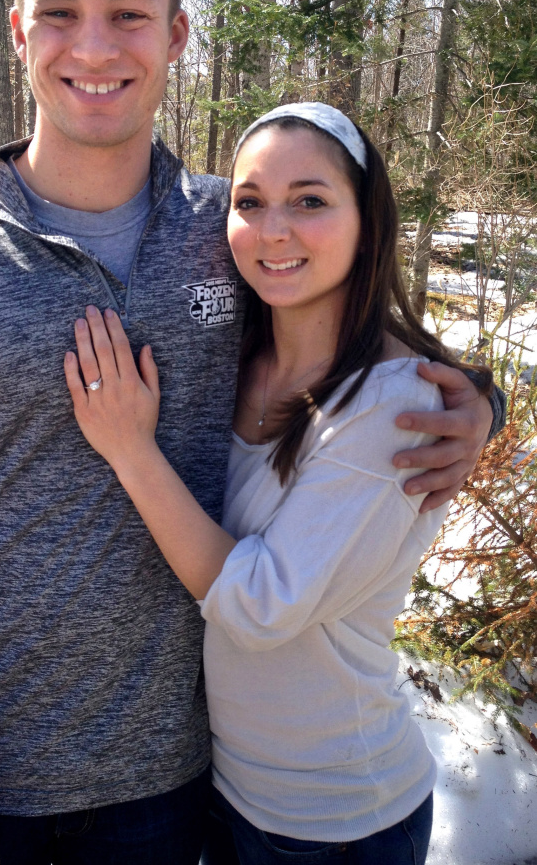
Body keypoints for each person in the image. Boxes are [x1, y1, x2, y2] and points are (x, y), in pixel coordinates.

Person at [0, 0, 499, 865]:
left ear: (176, 34)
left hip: (181, 786)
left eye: (128, 14)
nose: (93, 46)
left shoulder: (229, 234)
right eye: (60, 12)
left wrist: (473, 394)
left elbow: (355, 332)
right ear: (18, 31)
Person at [62, 102, 495, 865]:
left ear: (368, 218)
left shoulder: (391, 403)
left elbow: (261, 605)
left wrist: (131, 451)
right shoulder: (234, 352)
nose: (273, 230)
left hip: (340, 818)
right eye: (250, 202)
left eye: (311, 201)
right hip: (226, 791)